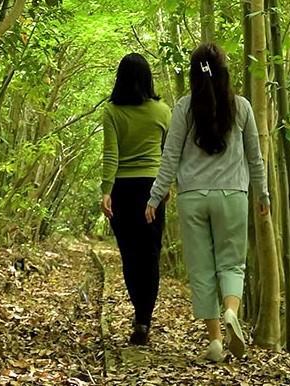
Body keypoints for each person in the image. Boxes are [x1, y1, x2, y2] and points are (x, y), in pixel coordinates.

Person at [145, 42, 270, 363]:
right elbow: (255, 158)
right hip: (232, 196)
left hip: (192, 198)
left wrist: (155, 197)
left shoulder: (184, 108)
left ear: (193, 74)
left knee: (202, 269)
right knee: (231, 264)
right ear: (225, 73)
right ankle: (231, 311)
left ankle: (215, 340)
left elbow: (170, 157)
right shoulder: (241, 107)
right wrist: (263, 193)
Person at [99, 52, 172, 346]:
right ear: (147, 78)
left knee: (130, 255)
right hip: (153, 189)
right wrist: (165, 185)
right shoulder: (163, 111)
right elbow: (169, 154)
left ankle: (139, 314)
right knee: (150, 254)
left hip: (123, 190)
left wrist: (106, 190)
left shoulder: (112, 112)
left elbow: (111, 154)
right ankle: (144, 318)